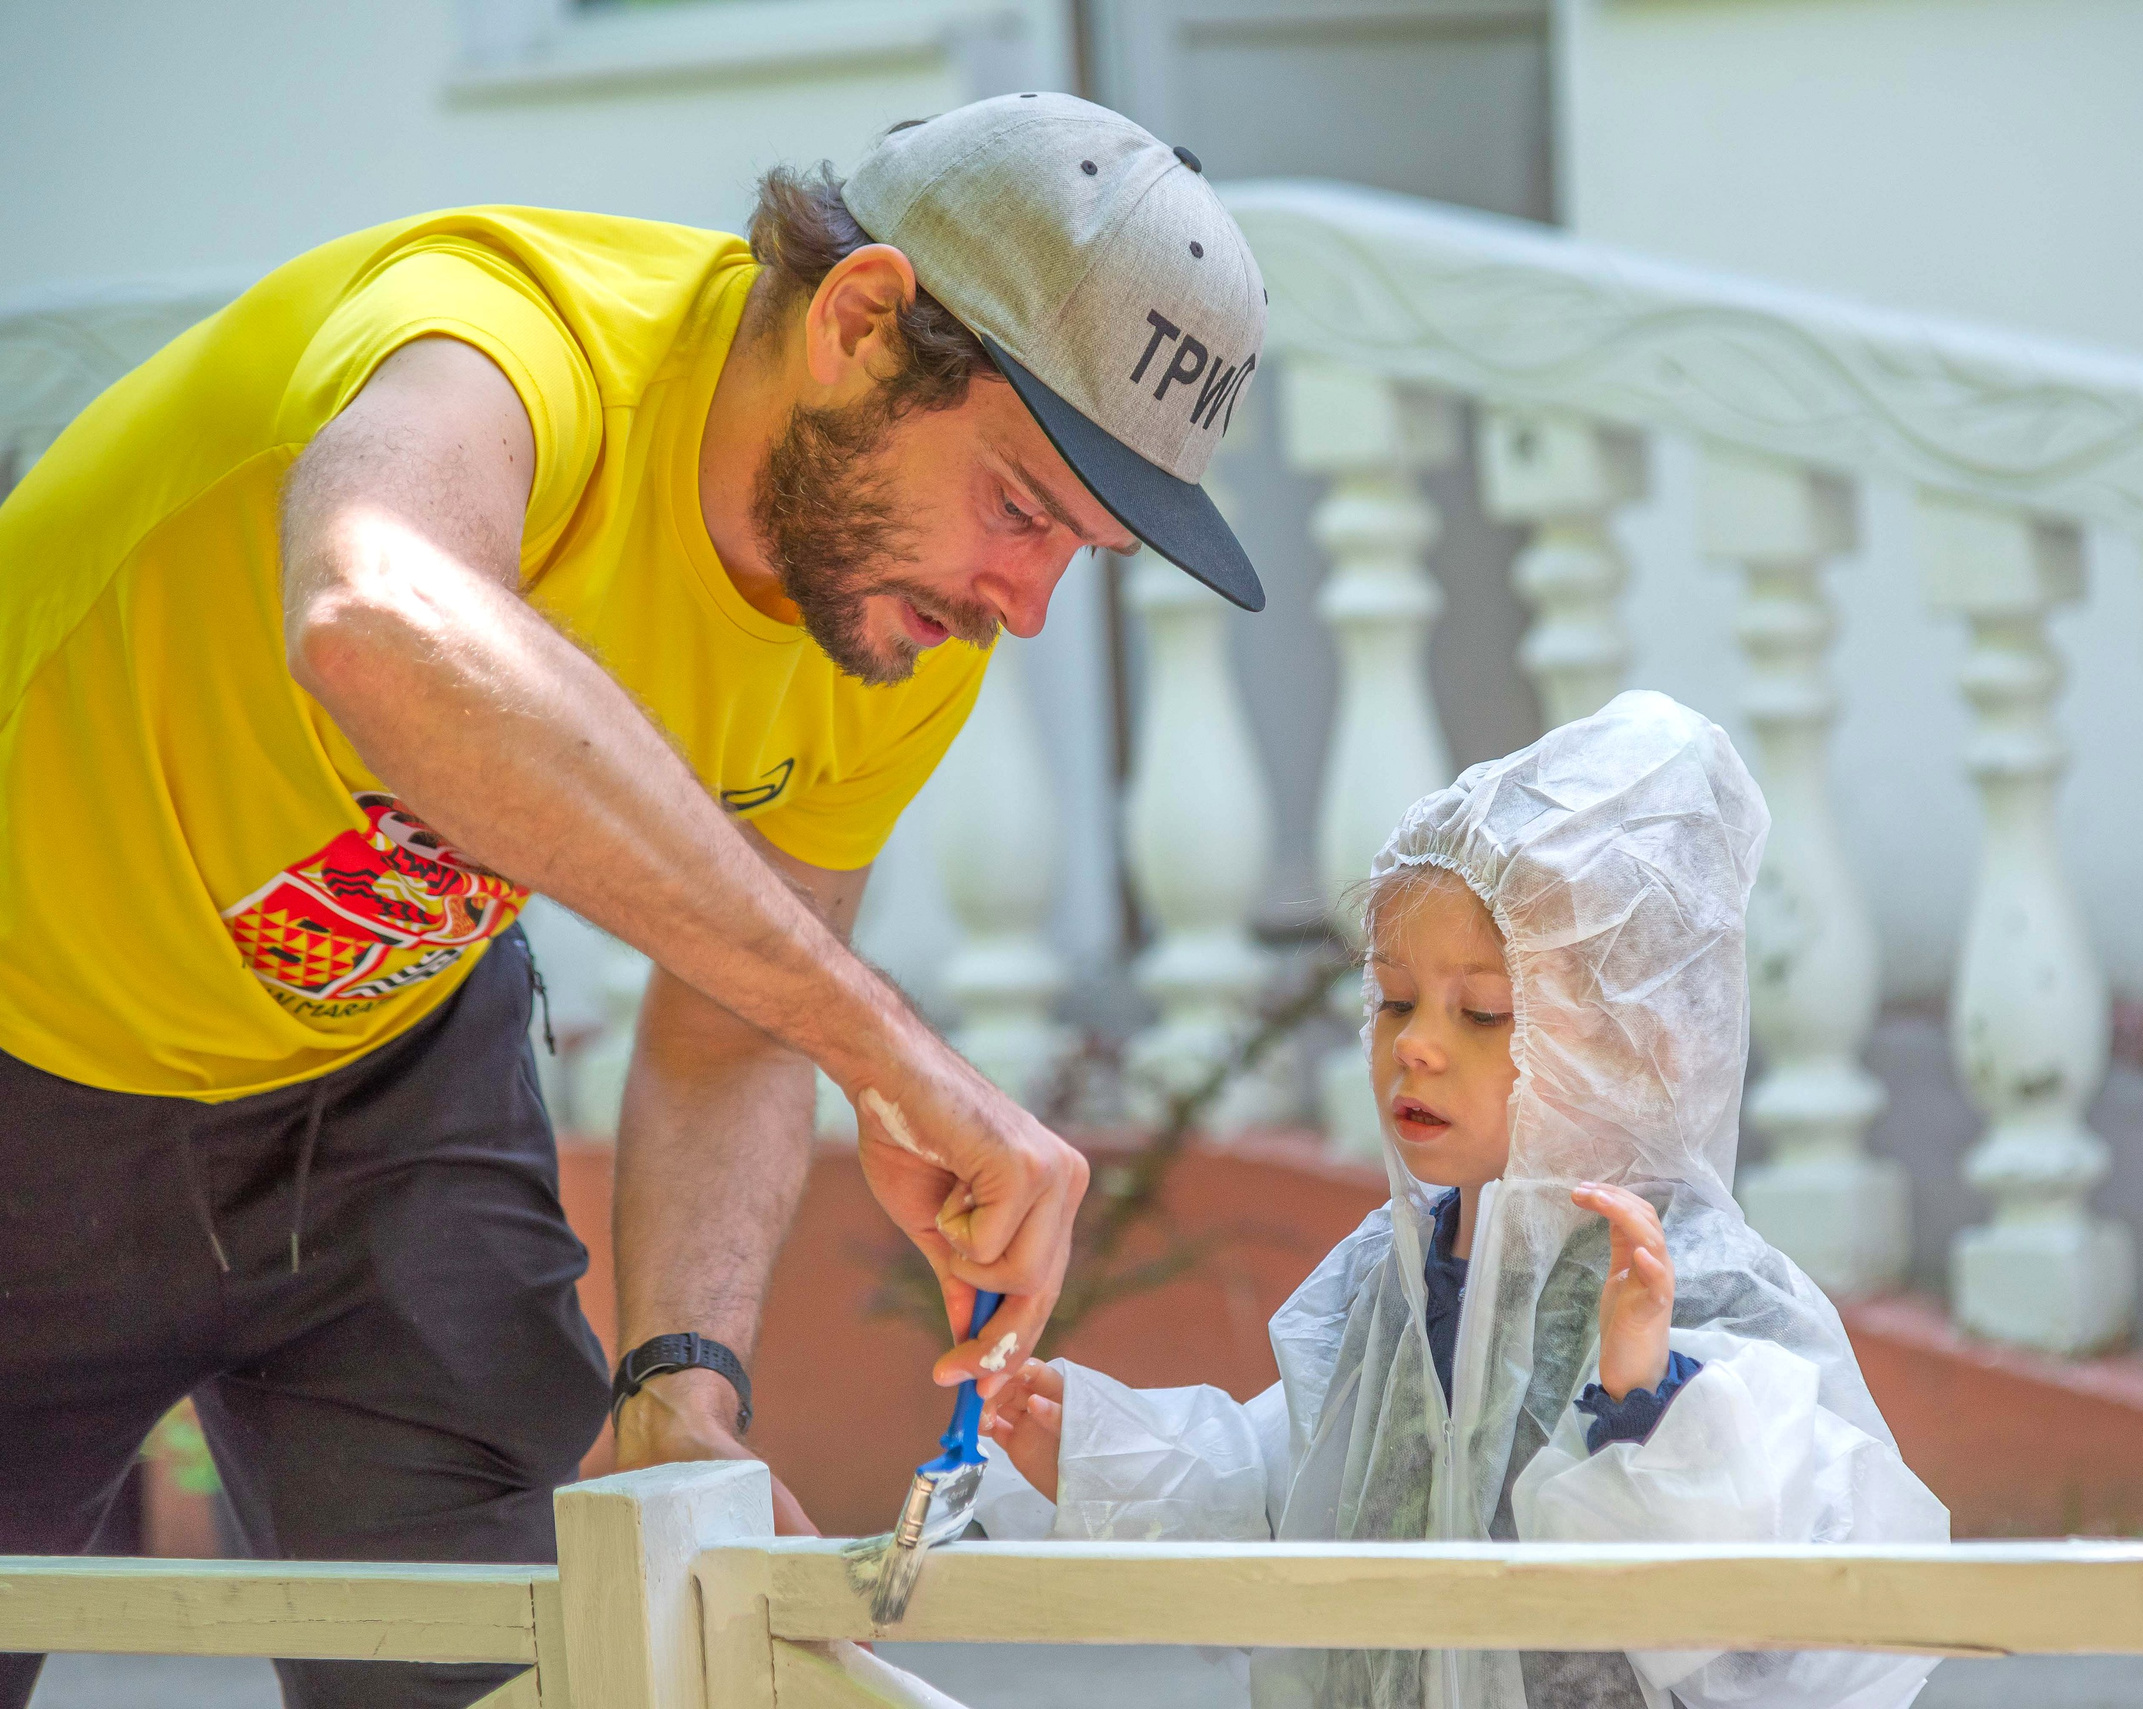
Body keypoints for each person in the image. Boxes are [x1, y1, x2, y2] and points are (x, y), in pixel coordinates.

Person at [0, 94, 1265, 1708]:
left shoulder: (885, 605)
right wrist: (895, 1055)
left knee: (523, 1667)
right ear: (861, 321)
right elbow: (378, 617)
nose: (1022, 604)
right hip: (21, 1084)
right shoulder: (497, 339)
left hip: (384, 1096)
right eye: (1022, 507)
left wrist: (684, 1378)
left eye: (1079, 549)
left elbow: (742, 1004)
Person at [980, 691, 1950, 1708]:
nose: (1415, 1044)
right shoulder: (1389, 1273)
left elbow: (1791, 1635)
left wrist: (1649, 1406)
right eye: (1393, 998)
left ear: (1636, 1044)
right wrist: (1103, 1455)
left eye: (1483, 1011)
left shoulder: (1693, 1283)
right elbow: (1301, 1495)